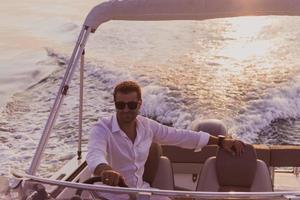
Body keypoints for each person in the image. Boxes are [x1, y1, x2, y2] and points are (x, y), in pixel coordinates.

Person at [86, 80, 245, 199]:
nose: (126, 110)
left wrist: (220, 141)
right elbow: (95, 154)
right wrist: (105, 170)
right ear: (115, 104)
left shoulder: (147, 126)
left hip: (140, 192)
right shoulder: (101, 129)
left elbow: (181, 136)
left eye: (131, 105)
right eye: (120, 105)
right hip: (109, 196)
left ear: (139, 104)